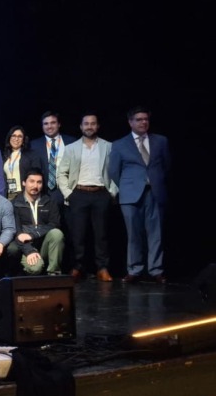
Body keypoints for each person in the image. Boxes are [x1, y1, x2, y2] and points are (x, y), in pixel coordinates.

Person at [108, 106, 170, 284]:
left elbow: (166, 166)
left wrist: (154, 181)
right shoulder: (119, 144)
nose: (143, 122)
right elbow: (113, 171)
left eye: (146, 119)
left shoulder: (161, 141)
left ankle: (156, 270)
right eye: (139, 119)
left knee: (155, 233)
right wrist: (129, 187)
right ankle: (134, 269)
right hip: (130, 196)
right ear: (130, 122)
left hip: (155, 193)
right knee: (133, 234)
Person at [57, 114, 117, 282]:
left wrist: (111, 192)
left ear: (98, 126)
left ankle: (102, 268)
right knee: (78, 234)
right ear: (81, 127)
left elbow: (116, 172)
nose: (89, 126)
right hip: (79, 193)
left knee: (102, 234)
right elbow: (61, 173)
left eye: (93, 124)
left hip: (101, 194)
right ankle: (78, 267)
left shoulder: (109, 147)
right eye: (86, 124)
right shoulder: (71, 148)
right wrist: (69, 193)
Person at [8, 169, 64, 276]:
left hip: (43, 245)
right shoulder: (14, 204)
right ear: (24, 183)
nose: (35, 185)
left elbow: (54, 224)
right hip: (26, 247)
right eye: (32, 181)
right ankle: (28, 268)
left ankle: (53, 273)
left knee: (57, 233)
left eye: (39, 182)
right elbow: (17, 233)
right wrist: (29, 250)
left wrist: (33, 234)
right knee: (35, 269)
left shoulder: (49, 202)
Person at [31, 111, 77, 206]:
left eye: (53, 123)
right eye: (46, 124)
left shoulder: (72, 142)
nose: (49, 126)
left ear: (59, 124)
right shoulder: (34, 145)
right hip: (44, 193)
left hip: (69, 191)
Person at [2, 125, 43, 201]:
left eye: (20, 136)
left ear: (23, 139)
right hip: (9, 195)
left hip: (25, 194)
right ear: (9, 138)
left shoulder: (31, 155)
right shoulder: (4, 156)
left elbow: (36, 174)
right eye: (13, 136)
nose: (16, 139)